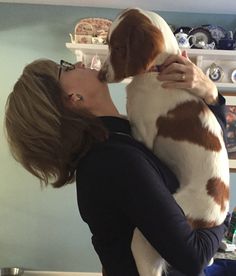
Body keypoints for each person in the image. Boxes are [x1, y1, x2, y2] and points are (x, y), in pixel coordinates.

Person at [5, 53, 227, 276]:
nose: (80, 64)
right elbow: (194, 256)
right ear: (73, 97)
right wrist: (225, 216)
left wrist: (211, 95)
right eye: (68, 68)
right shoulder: (113, 159)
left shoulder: (126, 137)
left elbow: (209, 160)